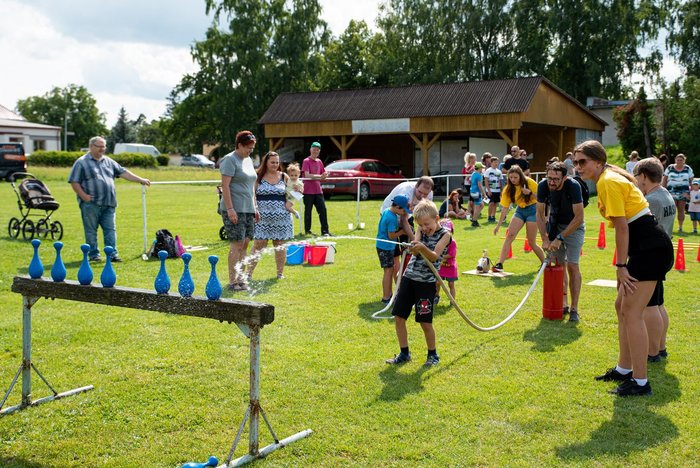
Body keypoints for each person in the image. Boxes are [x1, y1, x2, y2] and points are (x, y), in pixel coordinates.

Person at [575, 140, 673, 397]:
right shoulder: (607, 179)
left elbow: (622, 227)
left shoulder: (607, 181)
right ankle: (624, 368)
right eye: (575, 162)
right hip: (645, 248)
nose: (578, 166)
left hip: (650, 249)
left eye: (583, 161)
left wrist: (621, 266)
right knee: (622, 307)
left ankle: (640, 382)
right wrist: (624, 264)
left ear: (598, 161)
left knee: (631, 312)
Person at [385, 200, 451, 367]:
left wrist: (421, 247)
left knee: (425, 322)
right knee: (399, 317)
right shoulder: (421, 230)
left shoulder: (445, 235)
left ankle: (432, 355)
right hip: (409, 278)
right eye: (420, 225)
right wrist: (413, 247)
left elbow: (434, 257)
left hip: (426, 284)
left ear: (436, 218)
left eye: (427, 224)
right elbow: (415, 251)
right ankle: (404, 353)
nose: (424, 228)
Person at [68, 136, 151, 262]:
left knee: (110, 230)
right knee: (91, 231)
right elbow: (74, 181)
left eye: (104, 146)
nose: (102, 149)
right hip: (91, 204)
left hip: (109, 203)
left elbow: (123, 172)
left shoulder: (109, 161)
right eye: (99, 146)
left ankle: (112, 254)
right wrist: (83, 196)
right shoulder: (81, 162)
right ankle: (94, 255)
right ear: (91, 147)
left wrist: (141, 180)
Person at [633, 157, 676, 361]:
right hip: (663, 252)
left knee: (649, 306)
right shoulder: (665, 193)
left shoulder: (651, 200)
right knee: (658, 303)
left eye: (636, 176)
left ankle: (653, 352)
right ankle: (661, 347)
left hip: (652, 254)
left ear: (643, 176)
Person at [536, 161, 585, 322]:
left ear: (564, 178)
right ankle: (563, 304)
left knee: (572, 265)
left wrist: (560, 238)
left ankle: (574, 309)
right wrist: (544, 238)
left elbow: (579, 217)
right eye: (549, 178)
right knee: (559, 265)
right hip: (555, 225)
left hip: (574, 226)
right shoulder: (543, 185)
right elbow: (539, 214)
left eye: (556, 179)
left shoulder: (573, 186)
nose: (551, 182)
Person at [219, 131, 259, 291]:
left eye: (252, 148)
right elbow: (225, 186)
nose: (250, 150)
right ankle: (233, 281)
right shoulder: (229, 159)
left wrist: (255, 207)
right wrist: (230, 209)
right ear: (240, 145)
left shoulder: (248, 160)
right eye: (248, 147)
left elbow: (251, 187)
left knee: (245, 244)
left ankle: (241, 279)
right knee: (237, 244)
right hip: (234, 208)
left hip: (248, 208)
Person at [247, 152, 294, 280]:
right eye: (272, 162)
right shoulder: (258, 176)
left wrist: (290, 203)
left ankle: (280, 273)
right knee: (259, 244)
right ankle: (248, 273)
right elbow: (252, 194)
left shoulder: (284, 176)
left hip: (282, 219)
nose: (275, 165)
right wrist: (255, 209)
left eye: (277, 162)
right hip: (261, 218)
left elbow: (292, 193)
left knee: (280, 245)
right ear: (266, 162)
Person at [492, 166, 545, 272]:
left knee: (531, 242)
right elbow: (505, 208)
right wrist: (498, 225)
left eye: (515, 177)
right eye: (511, 177)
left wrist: (529, 193)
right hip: (520, 211)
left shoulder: (529, 182)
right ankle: (500, 264)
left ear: (520, 176)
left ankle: (544, 263)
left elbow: (542, 198)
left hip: (533, 210)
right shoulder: (508, 189)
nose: (513, 179)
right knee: (509, 236)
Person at [376, 195, 409, 304]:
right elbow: (391, 236)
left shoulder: (387, 211)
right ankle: (386, 297)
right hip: (385, 247)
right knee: (388, 271)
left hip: (383, 245)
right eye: (403, 210)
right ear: (398, 207)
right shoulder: (392, 218)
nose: (404, 213)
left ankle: (390, 295)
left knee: (390, 270)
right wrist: (402, 232)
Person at [302, 142, 331, 236]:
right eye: (314, 149)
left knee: (323, 210)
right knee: (308, 211)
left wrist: (326, 175)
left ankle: (325, 231)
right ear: (310, 150)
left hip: (318, 190)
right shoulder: (306, 161)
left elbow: (323, 173)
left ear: (319, 151)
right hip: (308, 191)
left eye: (317, 150)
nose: (315, 151)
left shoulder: (319, 161)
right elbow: (307, 175)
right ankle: (308, 231)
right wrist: (320, 176)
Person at [663, 153, 694, 233]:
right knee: (670, 211)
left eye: (681, 160)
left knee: (681, 210)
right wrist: (663, 190)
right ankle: (669, 227)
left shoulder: (688, 168)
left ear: (684, 161)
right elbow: (665, 179)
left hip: (683, 193)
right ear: (675, 160)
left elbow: (692, 181)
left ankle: (680, 227)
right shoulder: (670, 167)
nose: (679, 161)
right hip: (671, 193)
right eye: (678, 160)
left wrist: (692, 192)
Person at [435, 219, 458, 304]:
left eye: (448, 231)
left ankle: (452, 301)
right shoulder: (438, 241)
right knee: (437, 283)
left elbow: (451, 254)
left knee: (451, 284)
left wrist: (439, 256)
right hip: (441, 267)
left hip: (450, 267)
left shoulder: (452, 242)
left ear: (452, 231)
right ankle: (436, 296)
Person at [469, 162, 488, 227]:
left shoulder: (473, 174)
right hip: (476, 192)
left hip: (472, 191)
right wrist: (484, 194)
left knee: (481, 205)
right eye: (482, 168)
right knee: (478, 207)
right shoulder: (479, 175)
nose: (482, 169)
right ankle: (474, 221)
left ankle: (474, 218)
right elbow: (480, 185)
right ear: (479, 168)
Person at [485, 156, 502, 223]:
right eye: (495, 162)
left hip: (497, 190)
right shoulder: (488, 170)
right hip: (491, 190)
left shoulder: (499, 171)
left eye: (497, 162)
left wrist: (501, 190)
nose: (496, 163)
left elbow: (500, 181)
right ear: (491, 162)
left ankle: (493, 217)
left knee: (495, 204)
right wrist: (488, 190)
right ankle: (489, 217)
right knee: (491, 203)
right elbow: (486, 180)